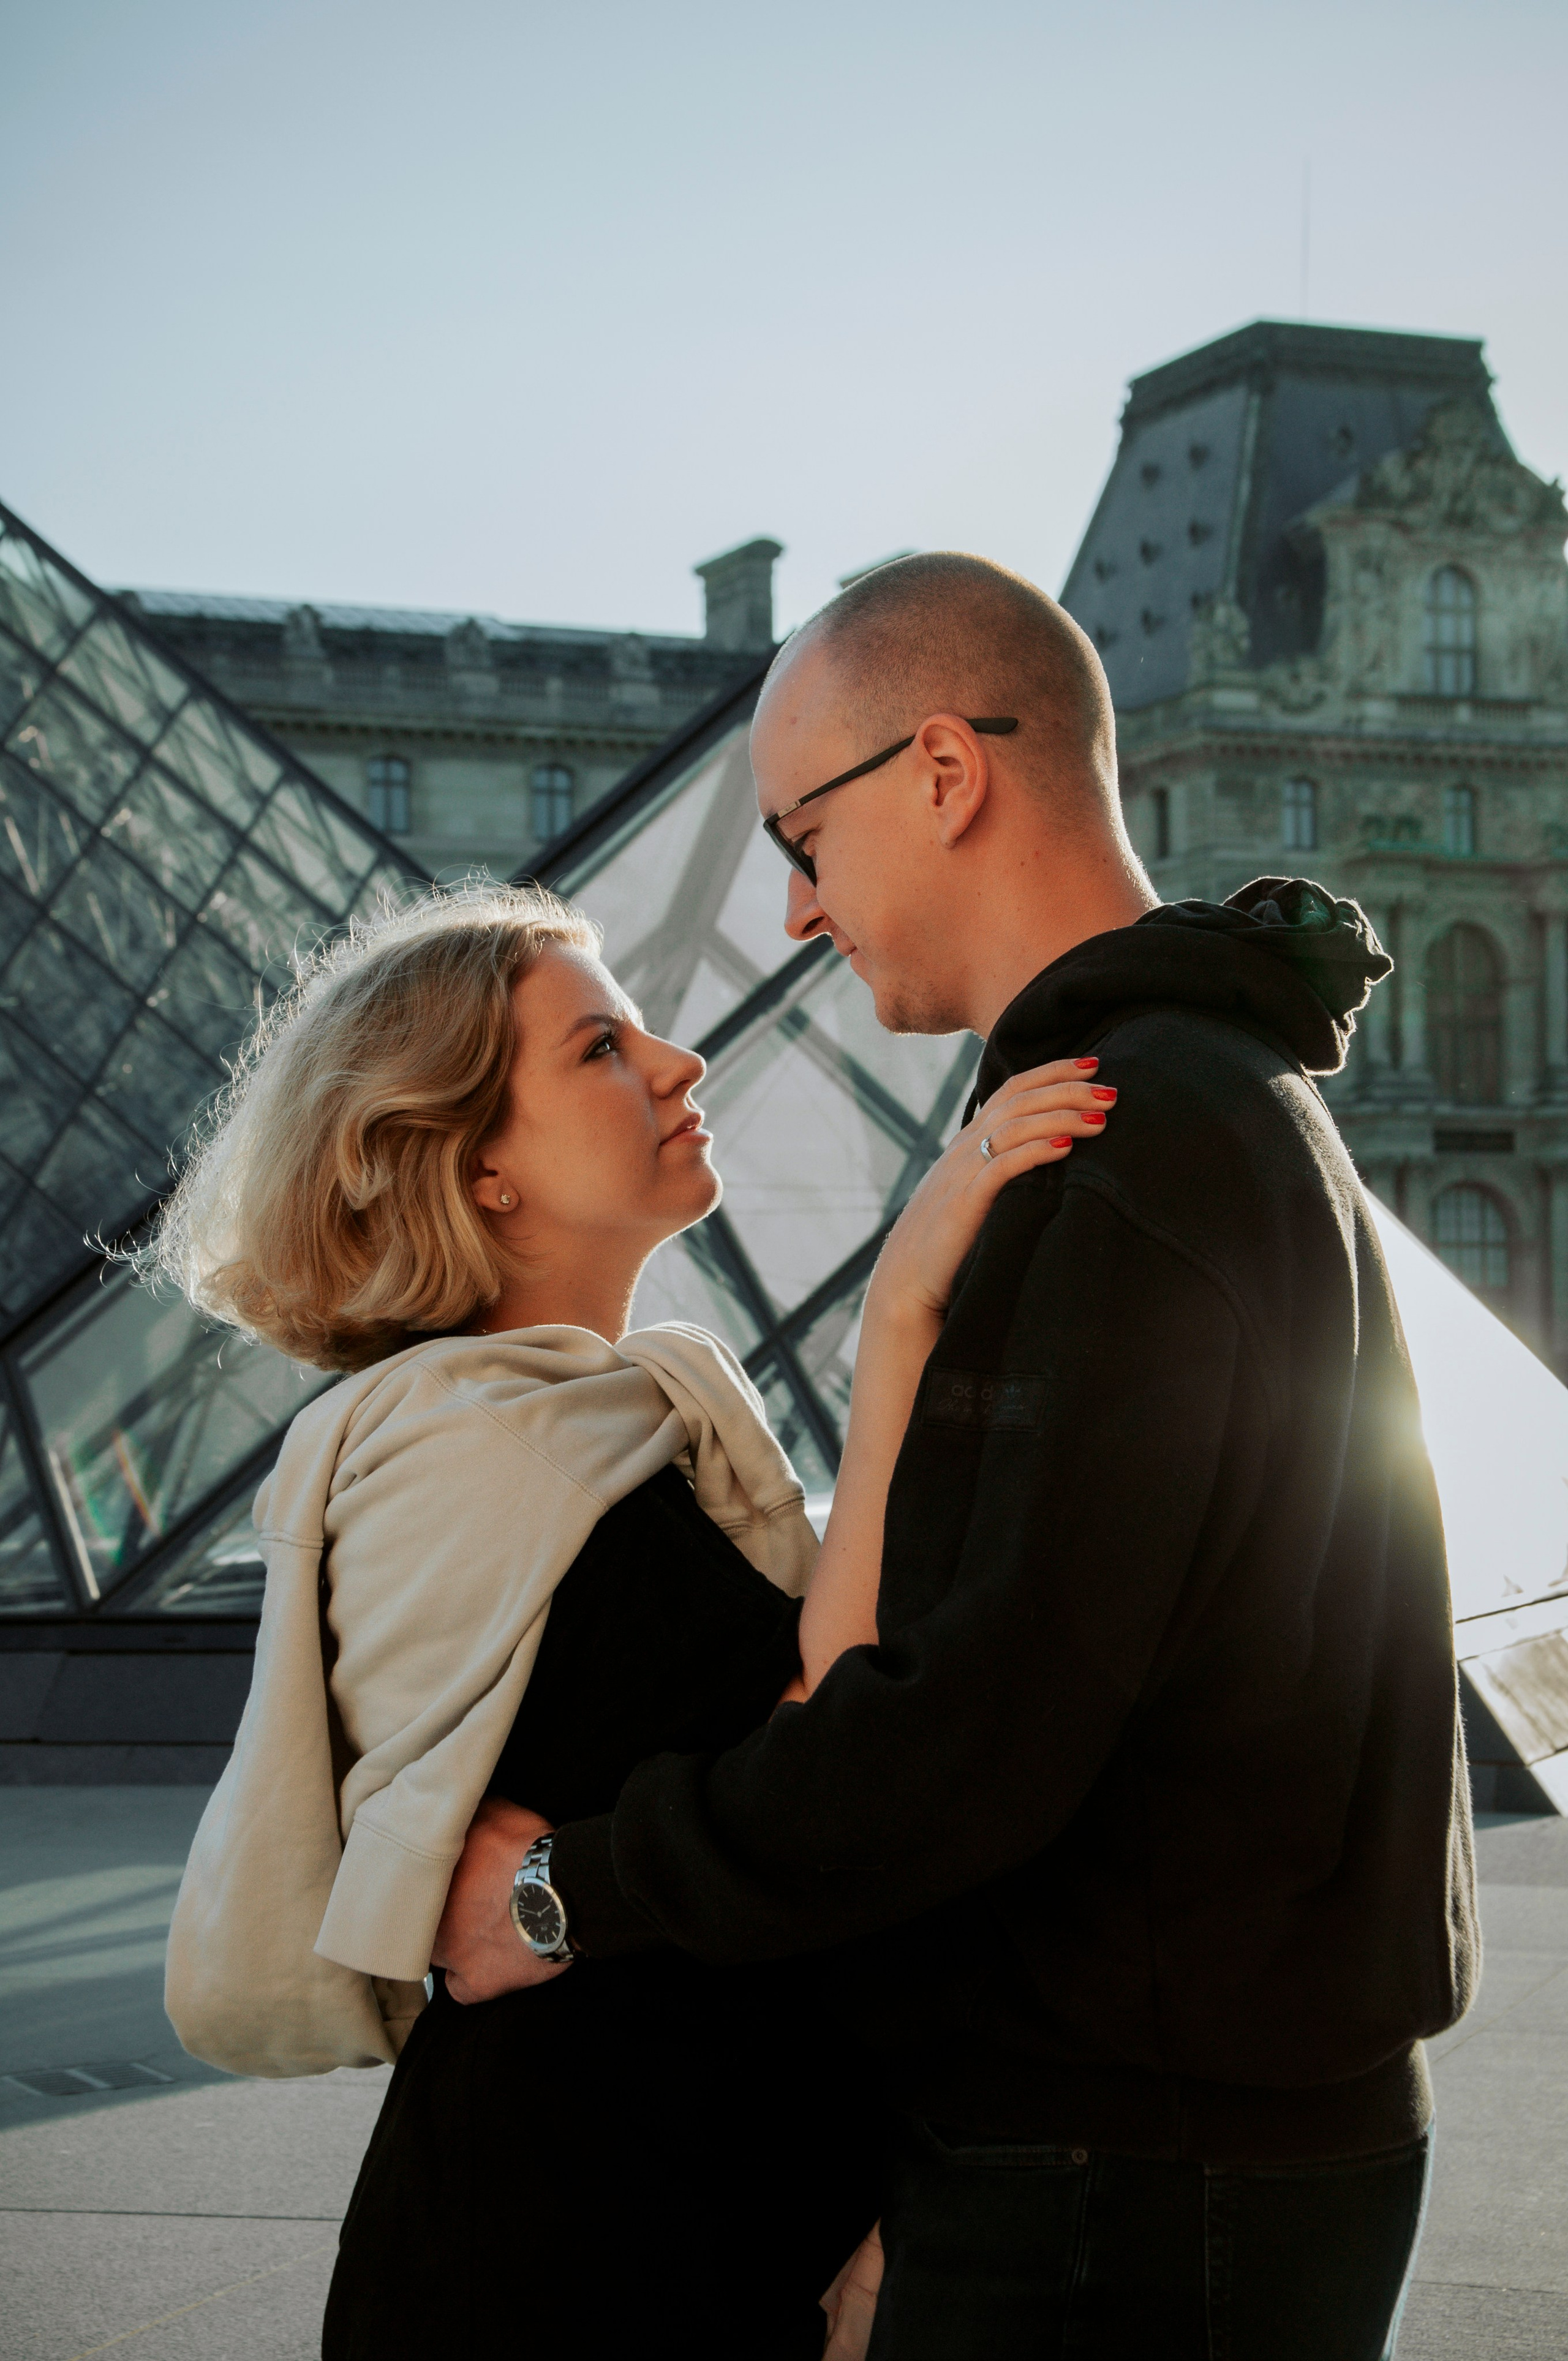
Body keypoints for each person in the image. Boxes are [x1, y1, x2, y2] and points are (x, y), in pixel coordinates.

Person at [435, 554, 1479, 2361]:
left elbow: (974, 1720)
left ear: (943, 771)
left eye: (806, 839)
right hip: (1193, 2125)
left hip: (1135, 2162)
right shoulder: (1197, 1101)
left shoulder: (1126, 1146)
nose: (790, 913)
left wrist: (564, 1889)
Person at [153, 881, 1112, 2360]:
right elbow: (828, 1750)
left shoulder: (623, 1427)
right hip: (572, 2236)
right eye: (599, 1049)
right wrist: (899, 1315)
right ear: (476, 1165)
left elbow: (807, 1725)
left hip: (679, 2188)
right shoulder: (467, 1449)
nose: (679, 1061)